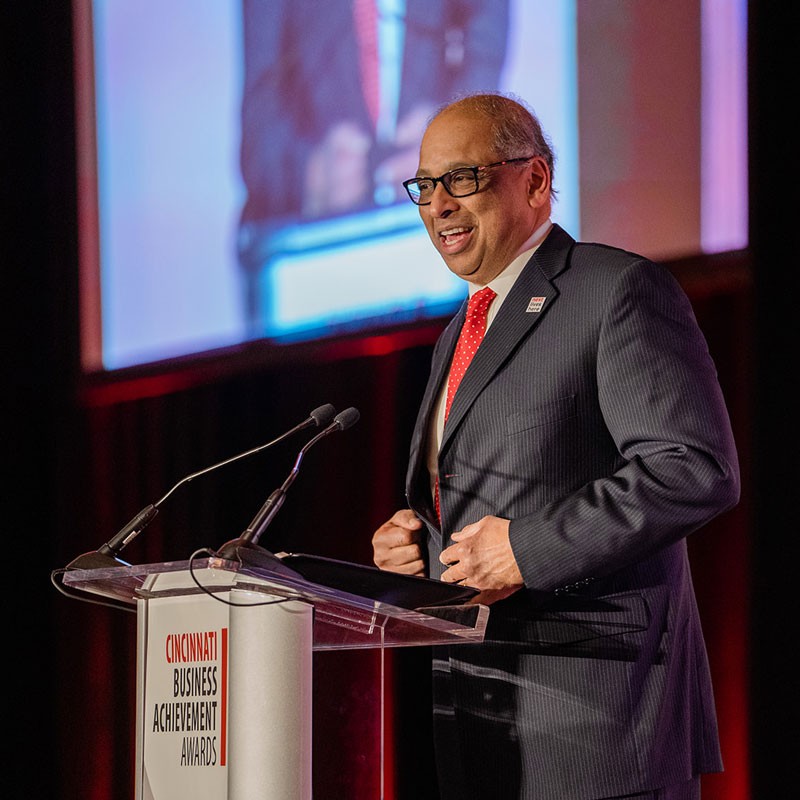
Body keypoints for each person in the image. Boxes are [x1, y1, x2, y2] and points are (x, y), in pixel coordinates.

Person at [371, 92, 740, 799]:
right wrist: (417, 542)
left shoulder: (614, 290)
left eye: (462, 179)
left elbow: (693, 468)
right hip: (485, 723)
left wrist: (528, 550)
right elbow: (494, 498)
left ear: (534, 180)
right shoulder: (459, 332)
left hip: (600, 728)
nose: (438, 205)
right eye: (424, 186)